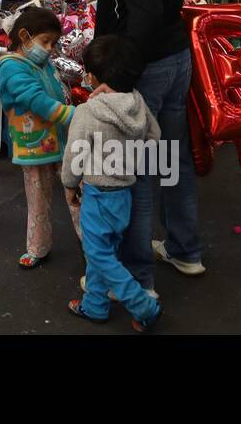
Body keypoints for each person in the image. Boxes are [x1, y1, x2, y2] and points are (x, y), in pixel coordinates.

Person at [92, 0, 207, 292]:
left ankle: (138, 277)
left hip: (148, 64)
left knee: (135, 172)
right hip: (177, 57)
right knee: (173, 158)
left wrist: (117, 79)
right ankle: (185, 250)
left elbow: (140, 15)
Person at [64, 34, 163, 332]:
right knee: (105, 252)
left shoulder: (87, 112)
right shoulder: (137, 102)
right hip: (124, 195)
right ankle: (94, 305)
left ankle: (143, 305)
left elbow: (74, 156)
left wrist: (69, 184)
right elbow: (154, 137)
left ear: (91, 76)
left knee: (98, 253)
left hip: (96, 195)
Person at [0, 6, 78, 269]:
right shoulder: (11, 67)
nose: (50, 48)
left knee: (77, 195)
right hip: (35, 148)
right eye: (46, 42)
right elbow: (35, 100)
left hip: (62, 140)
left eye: (53, 43)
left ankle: (95, 247)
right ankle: (37, 247)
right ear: (24, 36)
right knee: (38, 200)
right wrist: (72, 115)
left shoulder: (42, 62)